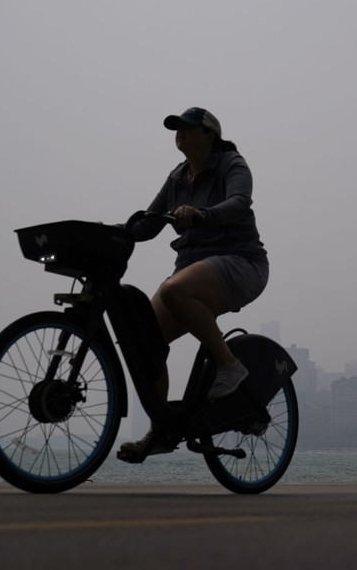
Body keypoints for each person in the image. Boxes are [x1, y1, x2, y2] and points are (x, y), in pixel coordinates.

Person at [119, 107, 269, 459]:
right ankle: (161, 432)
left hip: (240, 262)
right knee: (145, 342)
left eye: (188, 128)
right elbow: (149, 223)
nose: (180, 133)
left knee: (174, 290)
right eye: (177, 129)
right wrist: (117, 231)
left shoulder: (231, 164)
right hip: (192, 267)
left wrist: (202, 214)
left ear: (209, 135)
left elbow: (239, 202)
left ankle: (230, 366)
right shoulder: (177, 178)